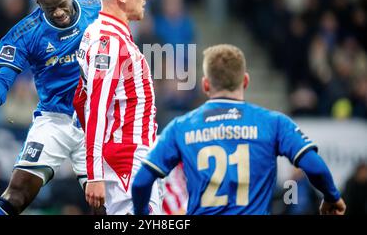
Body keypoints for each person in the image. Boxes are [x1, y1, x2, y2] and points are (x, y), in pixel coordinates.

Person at [132, 44, 346, 215]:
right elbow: (314, 166)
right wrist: (331, 197)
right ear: (245, 81)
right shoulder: (274, 123)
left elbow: (141, 181)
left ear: (206, 85)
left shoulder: (180, 127)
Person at [0, 0, 101, 215]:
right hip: (54, 120)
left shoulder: (96, 9)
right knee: (16, 195)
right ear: (38, 4)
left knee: (106, 206)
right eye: (51, 9)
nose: (59, 13)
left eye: (63, 4)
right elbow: (4, 77)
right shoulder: (25, 33)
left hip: (96, 123)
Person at [73, 0, 161, 215]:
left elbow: (80, 99)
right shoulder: (108, 42)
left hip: (130, 158)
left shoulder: (99, 33)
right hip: (127, 160)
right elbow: (96, 108)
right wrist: (96, 173)